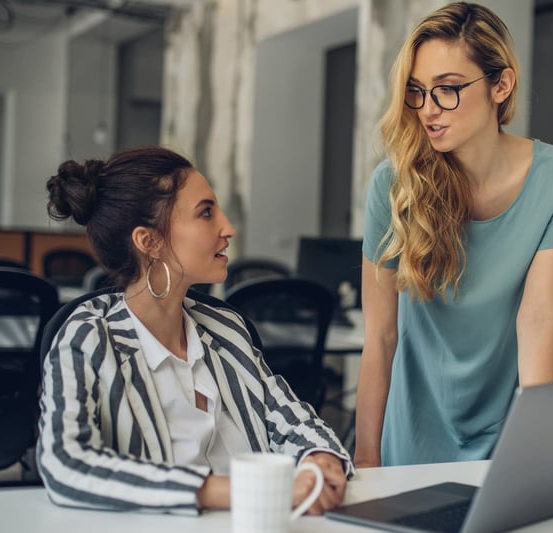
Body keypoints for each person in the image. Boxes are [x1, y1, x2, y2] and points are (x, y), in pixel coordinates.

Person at [38, 146, 353, 514]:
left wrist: (319, 459)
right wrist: (242, 492)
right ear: (149, 241)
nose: (228, 228)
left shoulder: (225, 328)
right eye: (206, 213)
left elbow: (289, 416)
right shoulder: (89, 338)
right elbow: (65, 463)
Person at [355, 2, 553, 467]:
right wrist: (366, 458)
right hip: (414, 433)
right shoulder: (394, 185)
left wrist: (534, 449)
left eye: (449, 90)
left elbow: (538, 316)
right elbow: (380, 336)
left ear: (501, 85)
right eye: (417, 92)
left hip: (504, 432)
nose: (428, 111)